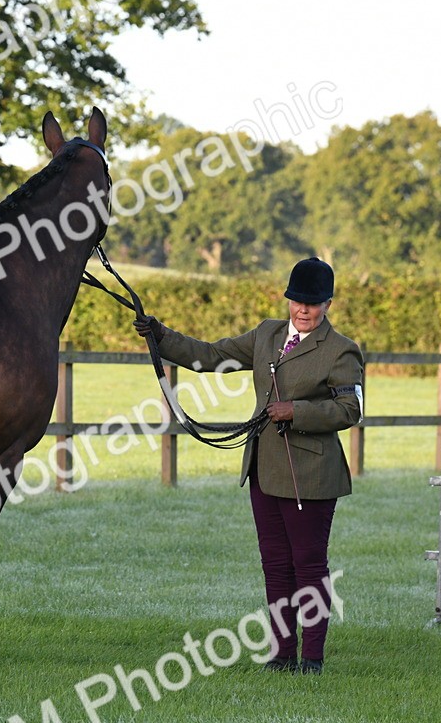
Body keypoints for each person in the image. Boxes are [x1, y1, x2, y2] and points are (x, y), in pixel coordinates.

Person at [134, 257, 363, 674]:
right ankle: (280, 654)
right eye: (296, 301)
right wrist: (162, 336)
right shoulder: (266, 334)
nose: (301, 310)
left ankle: (311, 657)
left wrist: (296, 410)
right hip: (264, 468)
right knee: (275, 566)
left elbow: (350, 410)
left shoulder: (340, 350)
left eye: (311, 304)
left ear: (328, 304)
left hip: (310, 475)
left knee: (308, 566)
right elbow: (210, 355)